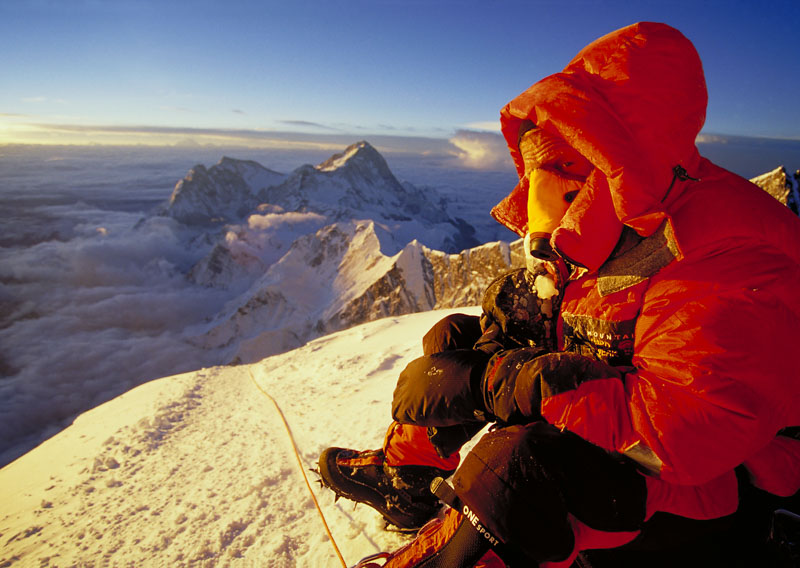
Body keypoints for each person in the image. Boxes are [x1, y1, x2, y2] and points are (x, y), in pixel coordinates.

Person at [318, 22, 800, 567]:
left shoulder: (730, 251)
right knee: (464, 340)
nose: (539, 189)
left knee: (521, 469)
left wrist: (500, 384)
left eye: (560, 166)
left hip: (734, 484)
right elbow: (599, 315)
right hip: (670, 443)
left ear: (607, 161)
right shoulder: (630, 209)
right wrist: (500, 345)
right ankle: (406, 477)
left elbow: (685, 433)